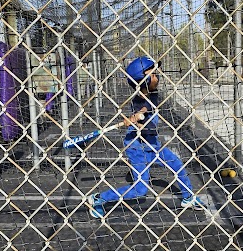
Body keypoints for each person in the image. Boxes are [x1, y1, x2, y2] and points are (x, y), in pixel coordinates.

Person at [87, 55, 205, 220]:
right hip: (137, 147)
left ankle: (188, 197)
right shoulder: (138, 98)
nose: (157, 76)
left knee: (176, 164)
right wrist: (134, 120)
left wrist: (139, 116)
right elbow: (141, 108)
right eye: (153, 74)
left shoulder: (152, 93)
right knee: (140, 191)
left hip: (152, 144)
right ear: (143, 81)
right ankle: (99, 199)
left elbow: (145, 108)